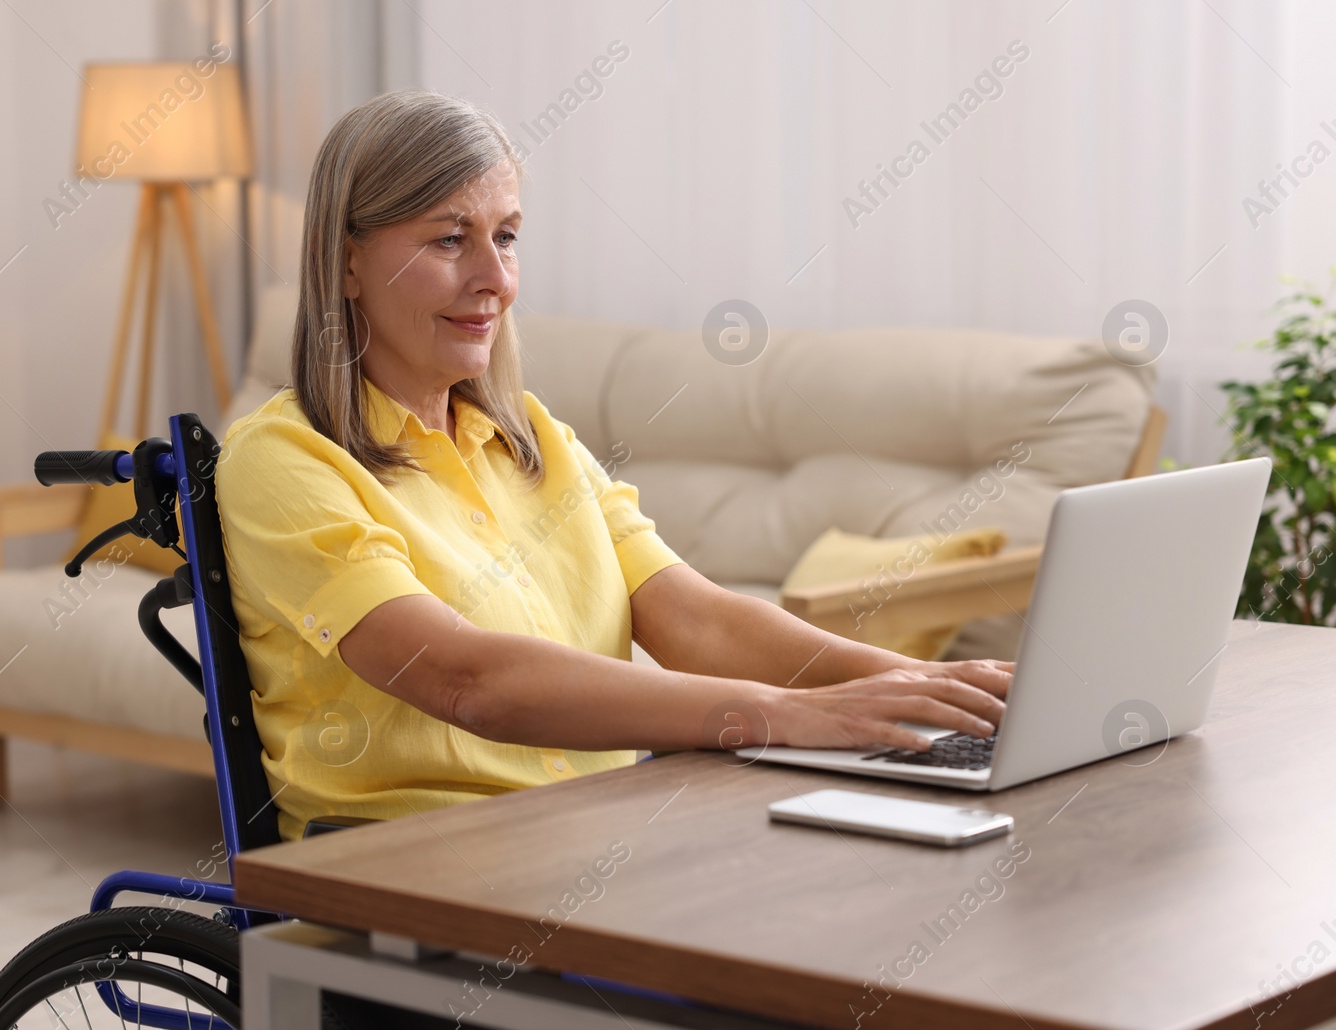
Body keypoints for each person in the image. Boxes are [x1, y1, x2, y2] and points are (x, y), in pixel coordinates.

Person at [215, 89, 1011, 846]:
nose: (495, 278)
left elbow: (695, 620)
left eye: (508, 235)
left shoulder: (535, 439)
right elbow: (467, 680)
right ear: (348, 264)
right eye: (449, 238)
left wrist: (936, 692)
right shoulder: (284, 459)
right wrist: (780, 711)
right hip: (417, 864)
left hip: (599, 833)